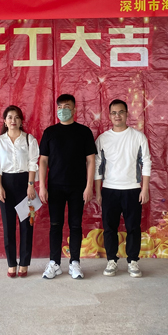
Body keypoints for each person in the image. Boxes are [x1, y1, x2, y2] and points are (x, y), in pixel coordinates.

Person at [38, 94, 96, 280]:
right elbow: (43, 161)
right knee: (55, 225)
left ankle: (75, 263)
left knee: (75, 225)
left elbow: (91, 160)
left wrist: (89, 186)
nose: (63, 110)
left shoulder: (84, 132)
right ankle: (54, 263)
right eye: (60, 107)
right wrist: (42, 187)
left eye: (67, 107)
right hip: (55, 187)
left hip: (78, 187)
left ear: (74, 109)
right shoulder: (50, 132)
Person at [94, 99, 151, 278]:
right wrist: (98, 191)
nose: (117, 116)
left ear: (127, 114)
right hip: (109, 189)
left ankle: (132, 261)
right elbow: (98, 166)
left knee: (133, 227)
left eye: (120, 112)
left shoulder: (138, 137)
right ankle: (111, 260)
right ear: (109, 115)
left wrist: (144, 189)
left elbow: (146, 162)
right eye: (113, 113)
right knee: (109, 228)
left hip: (132, 189)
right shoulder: (103, 139)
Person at [0, 105, 39, 278]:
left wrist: (31, 185)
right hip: (6, 185)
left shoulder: (29, 140)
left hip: (25, 185)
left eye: (17, 117)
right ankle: (11, 264)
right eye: (10, 117)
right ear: (5, 121)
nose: (13, 120)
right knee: (8, 226)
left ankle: (24, 263)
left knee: (27, 225)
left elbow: (33, 163)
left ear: (21, 121)